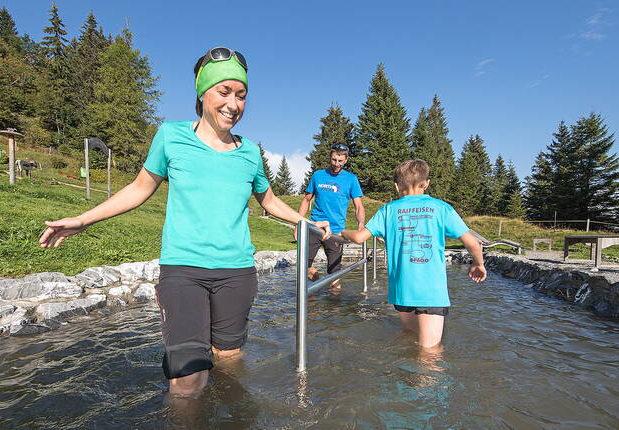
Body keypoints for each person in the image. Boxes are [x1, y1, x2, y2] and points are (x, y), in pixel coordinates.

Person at [38, 47, 329, 397]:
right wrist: (85, 220)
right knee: (188, 375)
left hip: (237, 272)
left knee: (229, 358)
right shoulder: (171, 135)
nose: (233, 104)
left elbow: (267, 199)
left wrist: (305, 222)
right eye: (224, 92)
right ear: (202, 93)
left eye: (241, 95)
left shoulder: (250, 152)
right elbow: (139, 188)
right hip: (183, 269)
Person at [340, 159, 486, 349]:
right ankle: (421, 378)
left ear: (397, 186)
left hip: (402, 290)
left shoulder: (388, 210)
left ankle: (404, 377)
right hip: (431, 292)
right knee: (430, 352)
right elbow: (473, 243)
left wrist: (342, 232)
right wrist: (478, 263)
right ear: (426, 183)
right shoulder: (441, 208)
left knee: (409, 337)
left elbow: (359, 238)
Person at [297, 144, 365, 290]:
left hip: (335, 232)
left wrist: (361, 225)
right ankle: (314, 285)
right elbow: (306, 200)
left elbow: (358, 205)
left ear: (346, 160)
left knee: (335, 275)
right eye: (334, 160)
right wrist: (298, 223)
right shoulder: (318, 175)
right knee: (303, 267)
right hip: (314, 227)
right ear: (330, 157)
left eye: (340, 161)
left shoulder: (351, 179)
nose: (336, 164)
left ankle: (335, 309)